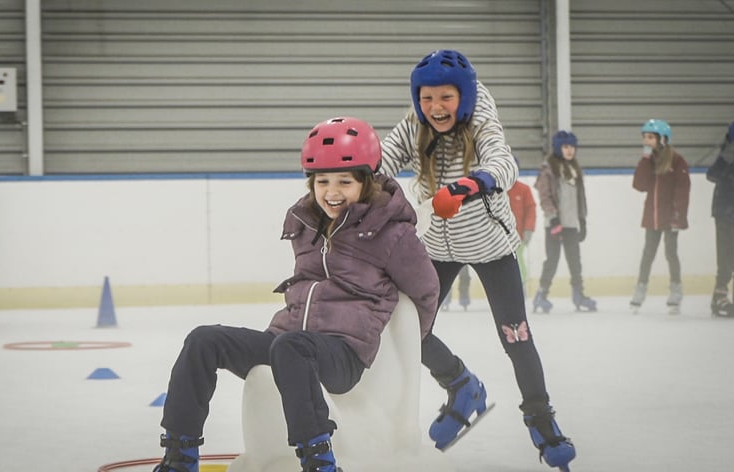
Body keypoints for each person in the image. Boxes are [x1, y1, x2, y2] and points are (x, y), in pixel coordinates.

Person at [154, 117, 439, 472]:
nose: (332, 191)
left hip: (342, 353)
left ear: (366, 181)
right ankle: (179, 457)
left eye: (344, 182)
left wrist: (407, 348)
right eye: (323, 181)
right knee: (203, 340)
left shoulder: (390, 233)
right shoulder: (306, 222)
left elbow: (426, 292)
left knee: (292, 348)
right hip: (286, 341)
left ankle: (318, 459)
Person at [380, 49, 575, 470]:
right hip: (436, 246)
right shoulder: (416, 122)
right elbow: (384, 157)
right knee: (408, 330)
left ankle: (541, 419)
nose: (435, 107)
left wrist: (468, 186)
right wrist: (351, 171)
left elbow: (505, 164)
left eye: (446, 98)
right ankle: (461, 385)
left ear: (464, 97)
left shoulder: (483, 119)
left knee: (516, 337)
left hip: (491, 248)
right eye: (427, 98)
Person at [630, 119, 691, 314]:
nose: (646, 141)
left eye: (650, 137)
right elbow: (639, 185)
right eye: (645, 137)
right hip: (652, 217)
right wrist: (645, 161)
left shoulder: (677, 161)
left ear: (663, 139)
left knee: (671, 254)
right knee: (647, 254)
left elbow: (683, 191)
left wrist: (678, 217)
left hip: (670, 217)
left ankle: (676, 290)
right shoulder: (649, 161)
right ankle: (640, 289)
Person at [532, 131, 596, 313]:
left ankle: (578, 294)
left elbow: (579, 197)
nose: (570, 151)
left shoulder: (575, 168)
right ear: (558, 148)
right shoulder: (549, 169)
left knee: (575, 261)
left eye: (572, 147)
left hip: (571, 224)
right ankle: (541, 295)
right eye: (566, 147)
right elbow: (544, 196)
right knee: (552, 260)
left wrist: (582, 220)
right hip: (555, 224)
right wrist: (553, 219)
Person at [705, 117, 734, 317]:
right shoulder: (727, 155)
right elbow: (712, 176)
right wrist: (727, 156)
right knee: (727, 256)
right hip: (725, 213)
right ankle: (719, 296)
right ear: (733, 138)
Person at [508, 157, 536, 296]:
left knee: (518, 261)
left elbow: (531, 209)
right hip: (500, 238)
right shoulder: (496, 190)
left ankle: (521, 286)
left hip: (518, 236)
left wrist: (529, 229)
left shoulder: (524, 190)